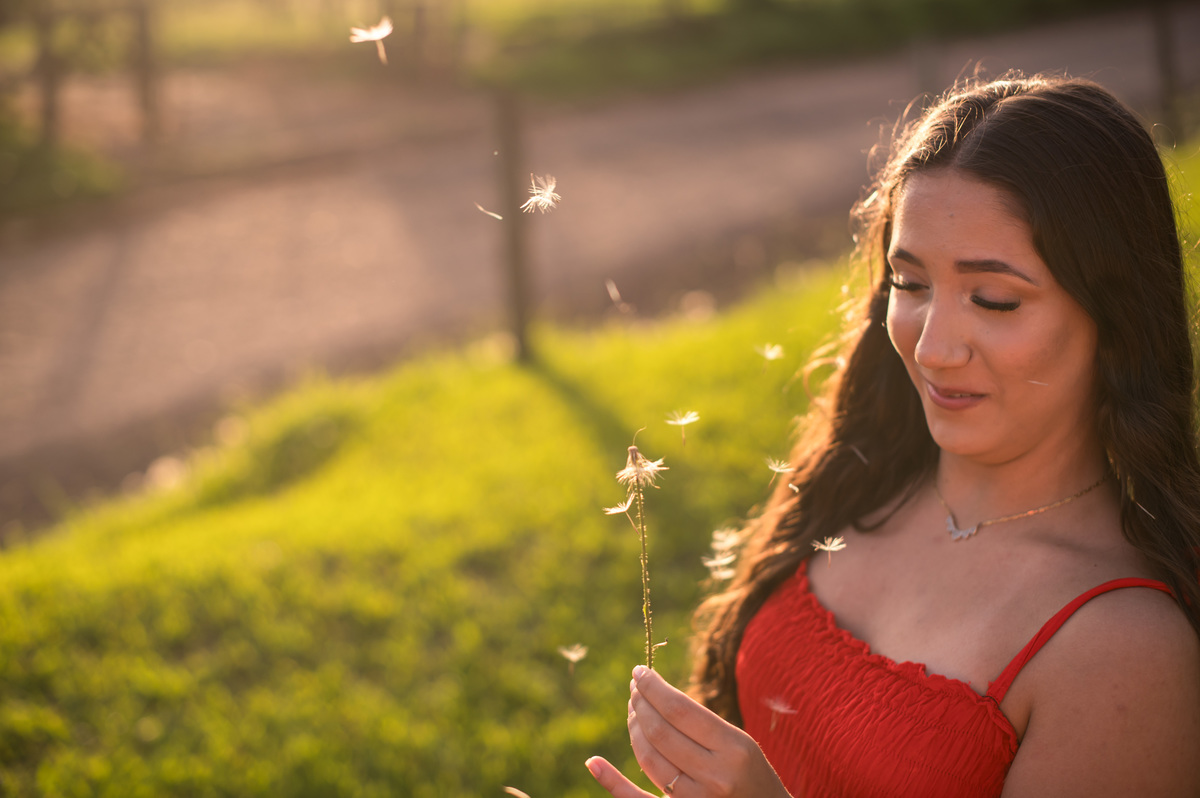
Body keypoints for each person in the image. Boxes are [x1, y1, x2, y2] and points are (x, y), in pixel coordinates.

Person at [585, 73, 1200, 797]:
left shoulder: (1125, 653)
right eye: (909, 285)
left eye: (994, 299)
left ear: (1116, 315)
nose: (934, 347)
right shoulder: (863, 478)